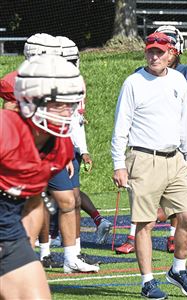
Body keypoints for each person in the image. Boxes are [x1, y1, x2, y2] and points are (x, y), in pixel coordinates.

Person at [0, 33, 100, 273]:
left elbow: (34, 205)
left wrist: (23, 256)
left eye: (70, 104)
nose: (68, 112)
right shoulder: (7, 130)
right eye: (59, 103)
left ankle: (51, 255)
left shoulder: (60, 145)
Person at [112, 32, 187, 299]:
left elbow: (185, 120)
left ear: (171, 54)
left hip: (174, 159)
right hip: (142, 158)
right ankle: (147, 281)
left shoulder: (178, 79)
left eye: (160, 52)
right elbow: (120, 127)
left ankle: (178, 270)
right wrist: (119, 164)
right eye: (150, 51)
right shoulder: (133, 82)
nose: (154, 56)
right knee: (145, 224)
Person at [37, 35, 111, 270]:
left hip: (65, 148)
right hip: (42, 149)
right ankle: (43, 252)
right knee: (40, 202)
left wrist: (81, 149)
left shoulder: (74, 82)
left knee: (71, 200)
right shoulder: (31, 82)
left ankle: (73, 252)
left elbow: (74, 120)